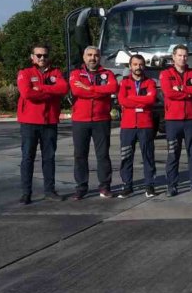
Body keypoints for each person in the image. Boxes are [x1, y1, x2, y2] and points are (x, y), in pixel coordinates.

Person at [17, 43, 67, 204]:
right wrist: (50, 92)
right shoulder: (25, 73)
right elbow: (27, 93)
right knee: (27, 158)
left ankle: (49, 191)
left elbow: (63, 88)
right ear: (32, 57)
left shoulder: (56, 72)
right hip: (29, 122)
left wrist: (41, 88)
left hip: (50, 121)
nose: (42, 58)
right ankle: (26, 193)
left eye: (45, 55)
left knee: (49, 158)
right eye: (38, 55)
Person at [69, 46, 118, 199]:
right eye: (89, 55)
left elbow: (113, 87)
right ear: (84, 57)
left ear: (100, 57)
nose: (93, 58)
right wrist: (99, 90)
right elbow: (77, 91)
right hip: (80, 120)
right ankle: (81, 187)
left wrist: (89, 88)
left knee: (103, 155)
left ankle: (104, 186)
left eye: (96, 55)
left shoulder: (107, 73)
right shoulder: (76, 74)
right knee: (80, 155)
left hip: (101, 120)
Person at [160, 44, 192, 196]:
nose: (182, 58)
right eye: (179, 55)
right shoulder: (166, 74)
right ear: (173, 57)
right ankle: (172, 186)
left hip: (191, 119)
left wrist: (181, 89)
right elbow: (168, 93)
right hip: (173, 120)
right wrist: (189, 92)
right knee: (173, 154)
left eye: (185, 55)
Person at [117, 54, 157, 198]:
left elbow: (151, 99)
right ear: (130, 66)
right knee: (126, 156)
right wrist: (141, 101)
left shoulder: (150, 82)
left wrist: (132, 99)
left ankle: (150, 186)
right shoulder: (124, 82)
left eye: (140, 64)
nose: (138, 67)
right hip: (128, 125)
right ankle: (127, 186)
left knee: (148, 156)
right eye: (135, 64)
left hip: (145, 124)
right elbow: (122, 100)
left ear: (144, 66)